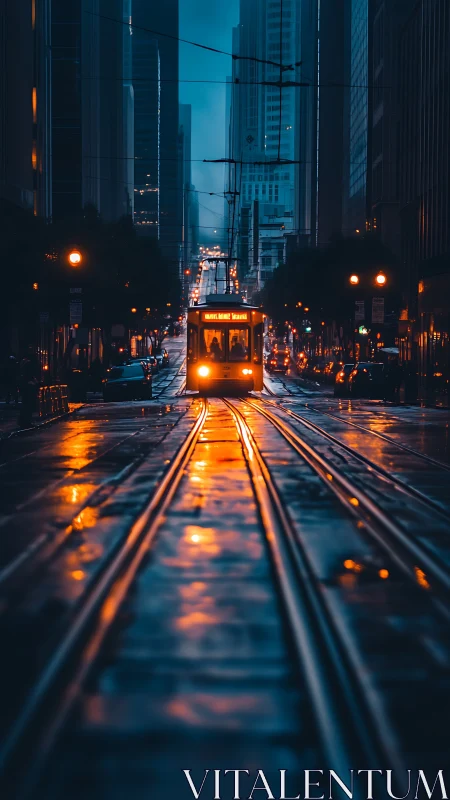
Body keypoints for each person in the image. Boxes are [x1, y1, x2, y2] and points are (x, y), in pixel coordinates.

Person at [18, 348, 40, 428]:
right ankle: (26, 421)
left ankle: (23, 421)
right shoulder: (29, 364)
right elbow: (30, 375)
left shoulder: (23, 362)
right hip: (29, 387)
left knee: (25, 404)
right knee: (28, 405)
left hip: (25, 386)